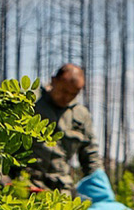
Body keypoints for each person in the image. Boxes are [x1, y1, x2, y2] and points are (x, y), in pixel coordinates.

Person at [28, 63, 100, 193]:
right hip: (24, 185)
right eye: (64, 91)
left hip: (60, 190)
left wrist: (100, 187)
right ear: (53, 81)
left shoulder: (81, 115)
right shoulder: (29, 101)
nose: (67, 97)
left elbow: (90, 156)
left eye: (74, 93)